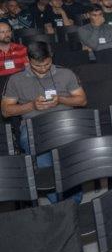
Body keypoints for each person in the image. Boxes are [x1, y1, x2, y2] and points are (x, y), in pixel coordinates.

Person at [1, 41, 87, 203]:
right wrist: (32, 106)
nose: (42, 69)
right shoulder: (16, 79)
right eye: (37, 66)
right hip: (34, 126)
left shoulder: (65, 73)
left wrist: (61, 100)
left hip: (64, 122)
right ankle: (62, 203)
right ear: (28, 60)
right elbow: (6, 110)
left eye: (46, 64)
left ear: (51, 58)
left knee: (70, 161)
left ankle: (72, 201)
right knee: (46, 166)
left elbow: (82, 100)